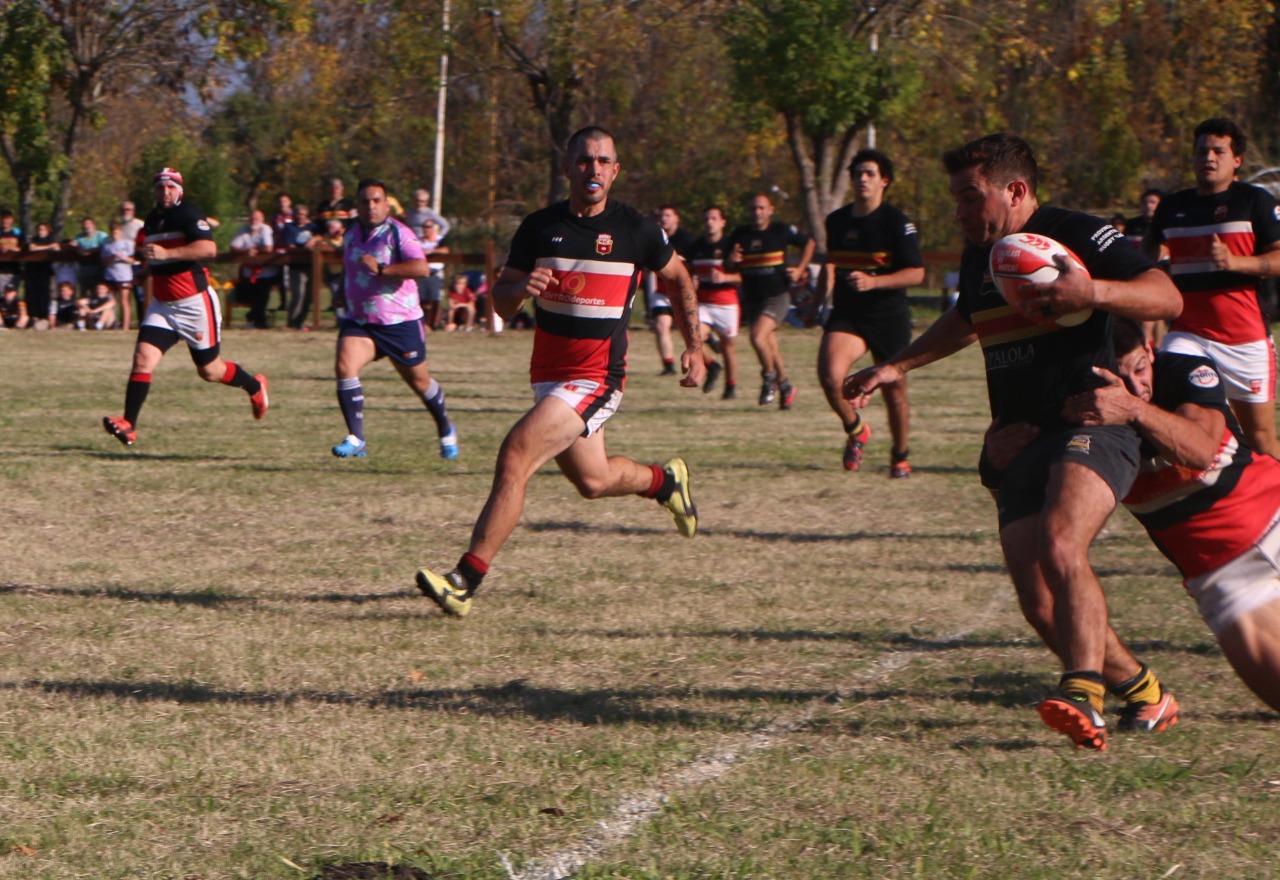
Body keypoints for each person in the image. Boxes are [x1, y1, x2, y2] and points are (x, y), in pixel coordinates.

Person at [845, 133, 1184, 749]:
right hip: (1018, 437)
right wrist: (897, 365)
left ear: (1016, 190)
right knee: (1039, 601)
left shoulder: (1077, 233)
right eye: (955, 199)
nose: (959, 211)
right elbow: (966, 319)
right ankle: (1145, 693)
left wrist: (1092, 292)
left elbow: (1167, 295)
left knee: (1061, 542)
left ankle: (1082, 693)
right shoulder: (984, 253)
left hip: (1091, 423)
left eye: (970, 197)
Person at [415, 125, 704, 619]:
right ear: (568, 167)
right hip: (549, 375)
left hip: (597, 377)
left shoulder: (635, 230)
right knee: (593, 480)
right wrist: (521, 289)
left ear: (616, 171)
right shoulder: (538, 227)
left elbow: (678, 279)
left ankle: (464, 580)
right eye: (585, 160)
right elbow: (501, 303)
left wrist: (695, 346)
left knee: (516, 454)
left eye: (603, 161)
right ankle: (664, 482)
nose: (594, 169)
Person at [1043, 317, 1280, 712]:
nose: (1137, 386)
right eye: (1120, 380)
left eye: (1140, 368)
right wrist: (1000, 457)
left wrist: (1133, 408)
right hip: (1222, 574)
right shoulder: (1075, 409)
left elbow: (1200, 450)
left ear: (1150, 350)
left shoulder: (1184, 369)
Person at [102, 168, 269, 447]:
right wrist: (146, 270)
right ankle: (129, 424)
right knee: (142, 359)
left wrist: (167, 253)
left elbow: (208, 249)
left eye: (171, 187)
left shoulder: (188, 213)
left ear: (180, 190)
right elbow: (154, 255)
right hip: (163, 306)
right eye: (160, 187)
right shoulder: (152, 220)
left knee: (210, 371)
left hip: (194, 303)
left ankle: (255, 386)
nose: (165, 191)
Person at [1144, 118, 1280, 459]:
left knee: (1262, 443)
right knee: (1178, 412)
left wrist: (1236, 262)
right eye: (1202, 151)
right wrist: (1154, 267)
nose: (1208, 157)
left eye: (1219, 151)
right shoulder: (1172, 207)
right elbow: (1147, 257)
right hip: (1188, 335)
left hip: (1245, 340)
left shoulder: (1255, 201)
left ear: (1237, 160)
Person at [329, 178, 458, 461]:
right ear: (357, 205)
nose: (371, 206)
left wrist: (383, 269)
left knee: (420, 382)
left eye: (377, 201)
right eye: (365, 201)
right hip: (361, 320)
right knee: (344, 366)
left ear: (387, 205)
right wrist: (340, 290)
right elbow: (350, 266)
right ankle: (357, 438)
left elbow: (421, 268)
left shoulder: (399, 233)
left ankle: (446, 427)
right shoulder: (351, 233)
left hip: (399, 323)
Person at [819, 149, 926, 477]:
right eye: (857, 174)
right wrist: (814, 301)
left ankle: (900, 455)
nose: (862, 179)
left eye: (869, 173)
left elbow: (916, 274)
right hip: (848, 313)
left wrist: (874, 281)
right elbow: (831, 263)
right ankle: (856, 429)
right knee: (830, 376)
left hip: (887, 315)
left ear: (884, 181)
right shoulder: (837, 220)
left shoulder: (897, 223)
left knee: (895, 391)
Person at [724, 193, 814, 408]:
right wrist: (731, 260)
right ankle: (785, 386)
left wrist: (800, 269)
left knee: (757, 337)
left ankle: (769, 378)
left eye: (761, 208)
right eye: (753, 208)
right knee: (769, 344)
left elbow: (809, 243)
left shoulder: (780, 230)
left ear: (771, 210)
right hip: (752, 297)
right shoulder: (740, 234)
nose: (757, 212)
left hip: (777, 296)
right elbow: (728, 267)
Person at [686, 205, 741, 398]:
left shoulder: (730, 246)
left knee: (727, 347)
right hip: (703, 304)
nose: (709, 223)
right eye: (706, 219)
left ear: (723, 222)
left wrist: (726, 277)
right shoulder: (696, 247)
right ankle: (712, 365)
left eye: (714, 219)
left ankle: (730, 387)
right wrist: (691, 281)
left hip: (727, 304)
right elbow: (689, 272)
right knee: (693, 339)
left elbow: (742, 278)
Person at [647, 205, 695, 375]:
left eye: (668, 215)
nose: (664, 219)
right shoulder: (654, 238)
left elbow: (696, 265)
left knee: (688, 329)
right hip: (661, 291)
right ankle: (668, 366)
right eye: (661, 215)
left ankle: (708, 355)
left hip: (682, 291)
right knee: (661, 325)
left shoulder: (687, 241)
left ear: (677, 218)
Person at [230, 209, 279, 329]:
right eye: (251, 218)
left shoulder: (265, 229)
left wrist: (256, 250)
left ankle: (258, 321)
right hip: (248, 272)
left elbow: (268, 247)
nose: (253, 221)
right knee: (251, 297)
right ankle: (255, 319)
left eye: (256, 218)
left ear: (262, 219)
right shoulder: (244, 229)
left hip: (265, 272)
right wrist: (245, 251)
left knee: (262, 297)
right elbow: (233, 247)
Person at [283, 204, 315, 330]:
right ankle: (292, 322)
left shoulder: (312, 227)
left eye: (302, 214)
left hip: (312, 265)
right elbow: (290, 246)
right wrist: (304, 249)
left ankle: (300, 321)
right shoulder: (289, 228)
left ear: (306, 215)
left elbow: (321, 236)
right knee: (298, 294)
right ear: (293, 215)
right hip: (296, 266)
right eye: (297, 214)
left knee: (309, 296)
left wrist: (314, 240)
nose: (300, 217)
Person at [100, 221, 137, 330]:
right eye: (112, 233)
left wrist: (123, 257)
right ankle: (111, 323)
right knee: (110, 300)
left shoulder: (127, 243)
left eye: (116, 232)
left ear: (120, 232)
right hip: (110, 275)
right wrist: (110, 258)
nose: (114, 235)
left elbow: (133, 260)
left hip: (124, 276)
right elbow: (102, 262)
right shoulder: (107, 245)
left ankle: (125, 326)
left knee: (124, 301)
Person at [24, 221, 59, 328]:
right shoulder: (34, 239)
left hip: (46, 272)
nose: (40, 231)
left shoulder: (52, 239)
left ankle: (44, 316)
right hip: (33, 271)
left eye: (43, 229)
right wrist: (47, 247)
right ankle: (33, 316)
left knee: (45, 294)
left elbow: (57, 248)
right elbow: (32, 248)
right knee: (33, 294)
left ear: (48, 231)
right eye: (39, 229)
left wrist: (47, 247)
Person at [72, 217, 108, 295]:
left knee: (98, 292)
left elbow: (105, 248)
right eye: (84, 224)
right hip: (84, 269)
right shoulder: (79, 237)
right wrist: (77, 248)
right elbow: (73, 245)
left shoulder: (102, 235)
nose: (86, 226)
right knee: (84, 292)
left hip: (99, 267)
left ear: (94, 225)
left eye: (88, 224)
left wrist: (90, 251)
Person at [0, 210, 24, 297]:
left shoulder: (18, 233)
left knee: (12, 296)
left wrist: (13, 249)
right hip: (1, 270)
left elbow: (23, 248)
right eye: (3, 219)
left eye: (7, 219)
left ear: (12, 220)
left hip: (14, 269)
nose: (5, 221)